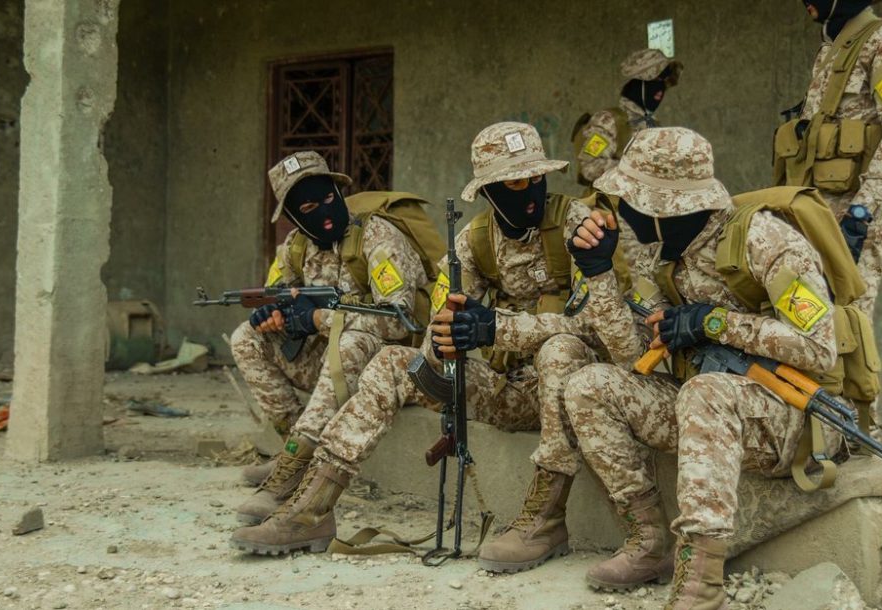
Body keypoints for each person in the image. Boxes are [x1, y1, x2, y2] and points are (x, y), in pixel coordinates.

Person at [228, 122, 643, 562]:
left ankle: (546, 518)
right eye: (517, 182)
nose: (531, 190)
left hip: (575, 396)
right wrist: (446, 340)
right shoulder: (474, 242)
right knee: (393, 362)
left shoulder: (579, 225)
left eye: (538, 177)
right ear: (489, 190)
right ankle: (312, 505)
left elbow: (600, 329)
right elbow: (433, 332)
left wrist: (495, 328)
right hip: (507, 391)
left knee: (561, 348)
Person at [564, 127, 842, 609]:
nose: (621, 210)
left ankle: (701, 581)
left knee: (705, 392)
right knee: (590, 385)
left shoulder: (767, 242)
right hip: (711, 410)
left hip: (792, 415)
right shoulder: (661, 254)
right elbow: (633, 358)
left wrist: (715, 322)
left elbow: (820, 350)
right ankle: (649, 542)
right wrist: (598, 273)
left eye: (631, 200)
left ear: (663, 207)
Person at [230, 151, 432, 525]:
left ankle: (292, 471)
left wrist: (319, 318)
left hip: (386, 371)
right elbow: (279, 292)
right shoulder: (295, 246)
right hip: (329, 368)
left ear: (338, 192)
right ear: (294, 217)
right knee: (246, 337)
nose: (324, 213)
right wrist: (275, 315)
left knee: (348, 341)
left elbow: (399, 320)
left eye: (328, 198)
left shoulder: (377, 236)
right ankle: (294, 450)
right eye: (309, 207)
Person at [792, 0, 882, 319]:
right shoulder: (832, 45)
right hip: (811, 209)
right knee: (807, 321)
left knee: (850, 322)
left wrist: (861, 212)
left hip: (850, 213)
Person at [573, 48, 683, 189]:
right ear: (638, 83)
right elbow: (590, 167)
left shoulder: (653, 125)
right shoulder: (609, 120)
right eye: (657, 80)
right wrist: (638, 172)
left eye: (665, 81)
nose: (661, 88)